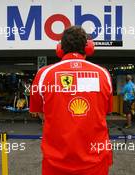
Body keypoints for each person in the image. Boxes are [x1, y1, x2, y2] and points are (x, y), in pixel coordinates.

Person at [30, 26, 113, 175]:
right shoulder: (103, 74)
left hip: (56, 164)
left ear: (60, 48)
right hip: (96, 163)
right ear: (88, 48)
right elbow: (103, 113)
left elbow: (41, 113)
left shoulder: (43, 74)